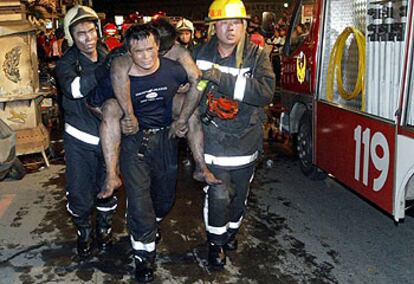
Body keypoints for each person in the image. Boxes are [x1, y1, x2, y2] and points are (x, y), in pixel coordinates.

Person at [94, 23, 189, 283]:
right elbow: (95, 104)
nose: (146, 56)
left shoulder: (173, 71)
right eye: (139, 52)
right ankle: (143, 258)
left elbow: (194, 86)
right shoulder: (117, 77)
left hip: (165, 141)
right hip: (135, 144)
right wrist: (115, 114)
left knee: (165, 200)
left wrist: (183, 113)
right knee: (139, 201)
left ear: (158, 46)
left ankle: (148, 224)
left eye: (150, 49)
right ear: (128, 52)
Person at [95, 18, 220, 200]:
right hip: (132, 104)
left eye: (159, 51)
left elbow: (197, 80)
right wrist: (127, 117)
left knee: (192, 113)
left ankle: (201, 166)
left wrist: (182, 119)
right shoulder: (124, 58)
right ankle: (112, 174)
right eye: (143, 50)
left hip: (164, 102)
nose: (151, 57)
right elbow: (114, 75)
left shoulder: (178, 52)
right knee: (110, 108)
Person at [194, 0, 275, 268]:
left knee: (239, 196)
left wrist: (220, 77)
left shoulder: (256, 55)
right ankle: (215, 244)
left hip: (245, 140)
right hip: (213, 137)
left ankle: (230, 232)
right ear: (213, 26)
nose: (231, 28)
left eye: (236, 23)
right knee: (218, 193)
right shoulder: (200, 53)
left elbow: (264, 93)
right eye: (225, 23)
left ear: (244, 25)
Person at [55, 5, 117, 259]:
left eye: (91, 31)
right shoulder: (66, 63)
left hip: (108, 139)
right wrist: (104, 70)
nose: (88, 38)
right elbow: (75, 89)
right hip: (80, 139)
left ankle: (104, 229)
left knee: (108, 187)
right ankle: (84, 232)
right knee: (80, 193)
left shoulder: (105, 53)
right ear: (71, 36)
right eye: (80, 33)